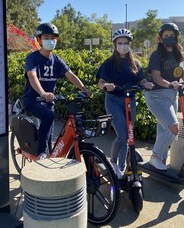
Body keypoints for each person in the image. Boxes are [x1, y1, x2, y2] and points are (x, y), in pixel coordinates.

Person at [22, 23, 92, 159]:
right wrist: (42, 93)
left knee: (49, 136)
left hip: (49, 101)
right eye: (46, 37)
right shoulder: (32, 58)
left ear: (56, 41)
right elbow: (32, 76)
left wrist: (85, 89)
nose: (50, 40)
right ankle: (41, 152)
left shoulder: (57, 60)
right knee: (48, 117)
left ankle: (48, 155)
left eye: (53, 38)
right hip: (32, 100)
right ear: (39, 40)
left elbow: (70, 75)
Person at [144, 23, 184, 170]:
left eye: (172, 36)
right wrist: (170, 84)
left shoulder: (179, 55)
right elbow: (156, 77)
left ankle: (161, 160)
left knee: (164, 130)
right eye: (166, 36)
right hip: (157, 96)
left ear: (177, 37)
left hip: (173, 96)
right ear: (160, 38)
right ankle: (156, 156)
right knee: (173, 128)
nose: (169, 38)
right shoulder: (156, 55)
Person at [96, 28, 154, 179]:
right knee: (122, 135)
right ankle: (113, 161)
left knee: (129, 135)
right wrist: (106, 86)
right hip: (114, 100)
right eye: (120, 43)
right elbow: (100, 82)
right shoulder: (109, 63)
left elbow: (141, 79)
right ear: (115, 45)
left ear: (129, 44)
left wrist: (146, 83)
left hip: (130, 100)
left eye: (125, 43)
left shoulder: (135, 63)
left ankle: (121, 168)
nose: (123, 46)